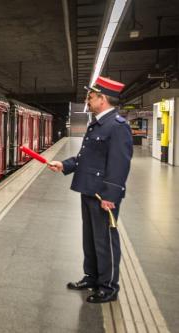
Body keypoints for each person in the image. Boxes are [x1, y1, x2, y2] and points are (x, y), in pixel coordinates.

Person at [47, 76, 133, 303]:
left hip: (102, 195)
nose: (88, 100)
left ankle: (109, 287)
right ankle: (92, 277)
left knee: (105, 241)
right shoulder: (98, 123)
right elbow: (87, 158)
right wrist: (64, 165)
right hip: (89, 189)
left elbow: (119, 165)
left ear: (102, 99)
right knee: (91, 239)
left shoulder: (117, 126)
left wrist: (110, 196)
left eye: (91, 96)